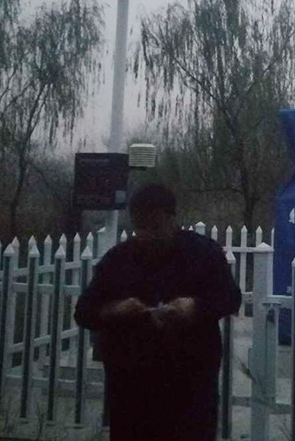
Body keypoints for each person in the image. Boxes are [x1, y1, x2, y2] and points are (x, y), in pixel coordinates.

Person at [74, 183, 242, 441]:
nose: (147, 236)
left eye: (156, 228)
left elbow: (230, 298)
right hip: (131, 389)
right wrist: (116, 309)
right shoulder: (118, 260)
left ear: (172, 219)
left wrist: (196, 307)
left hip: (190, 388)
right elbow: (84, 311)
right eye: (141, 228)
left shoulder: (203, 254)